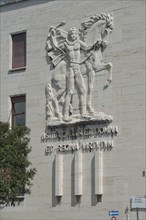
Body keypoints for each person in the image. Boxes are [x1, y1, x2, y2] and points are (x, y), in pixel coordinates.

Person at [63, 27, 99, 121]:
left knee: (83, 90)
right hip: (70, 68)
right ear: (69, 35)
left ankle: (83, 113)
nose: (73, 35)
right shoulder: (65, 44)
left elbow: (87, 48)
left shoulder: (78, 43)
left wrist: (94, 45)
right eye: (72, 34)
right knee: (70, 91)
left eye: (75, 34)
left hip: (77, 67)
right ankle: (65, 115)